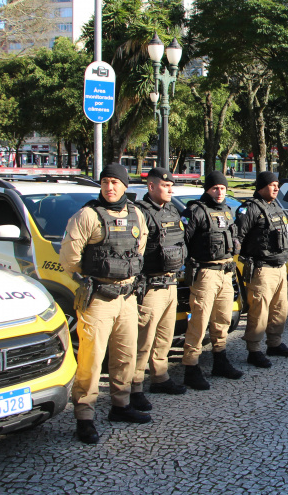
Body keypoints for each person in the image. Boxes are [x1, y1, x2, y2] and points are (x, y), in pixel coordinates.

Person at [59, 163, 150, 445]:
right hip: (98, 298)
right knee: (91, 360)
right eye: (106, 182)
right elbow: (69, 260)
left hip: (127, 297)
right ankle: (84, 416)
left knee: (125, 355)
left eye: (116, 182)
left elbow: (140, 249)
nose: (110, 187)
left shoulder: (136, 215)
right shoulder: (87, 216)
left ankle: (120, 406)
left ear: (125, 186)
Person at [129, 168, 188, 412]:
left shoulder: (172, 210)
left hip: (170, 283)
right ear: (151, 187)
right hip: (150, 286)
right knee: (143, 341)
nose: (170, 189)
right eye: (165, 186)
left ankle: (160, 377)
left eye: (171, 186)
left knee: (165, 336)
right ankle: (134, 387)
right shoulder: (139, 213)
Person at [180, 170, 243, 390]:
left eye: (222, 188)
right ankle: (191, 367)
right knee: (198, 322)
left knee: (223, 320)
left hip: (226, 272)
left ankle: (220, 360)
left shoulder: (226, 211)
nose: (219, 192)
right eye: (215, 188)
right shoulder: (195, 211)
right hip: (205, 274)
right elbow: (183, 242)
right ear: (207, 189)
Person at [235, 171, 288, 368]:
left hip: (280, 267)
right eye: (272, 184)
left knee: (280, 310)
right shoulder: (250, 209)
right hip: (262, 269)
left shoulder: (275, 207)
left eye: (277, 184)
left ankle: (274, 343)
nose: (276, 188)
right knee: (259, 312)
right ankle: (254, 350)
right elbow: (238, 237)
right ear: (261, 187)